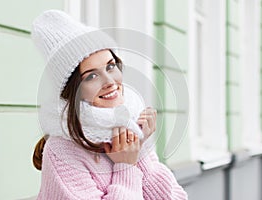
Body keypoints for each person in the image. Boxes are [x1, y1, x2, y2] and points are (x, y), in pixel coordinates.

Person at [32, 10, 188, 200]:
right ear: (72, 92)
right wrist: (126, 168)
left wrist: (140, 152)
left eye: (110, 66)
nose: (109, 81)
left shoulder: (126, 128)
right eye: (91, 76)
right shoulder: (61, 152)